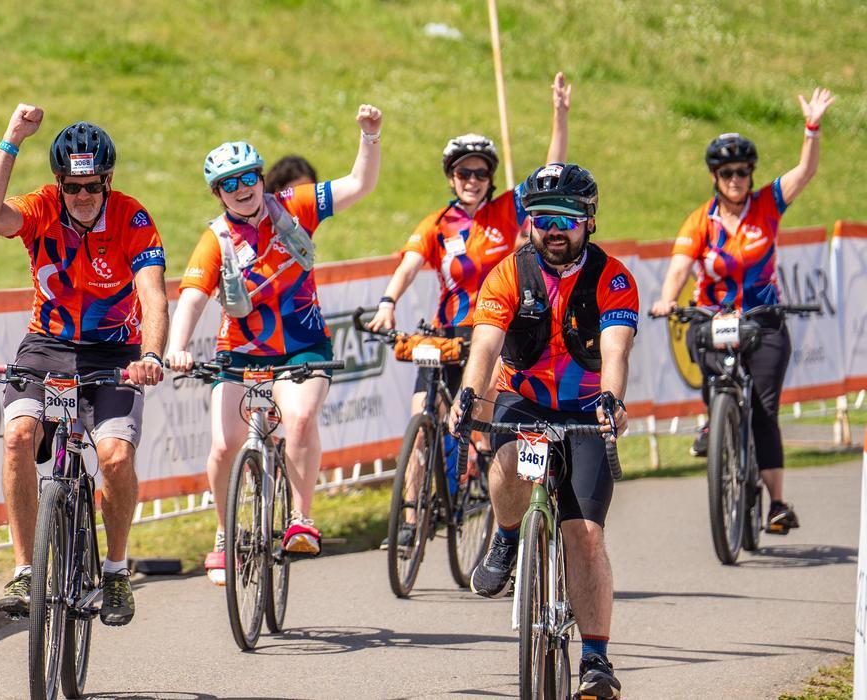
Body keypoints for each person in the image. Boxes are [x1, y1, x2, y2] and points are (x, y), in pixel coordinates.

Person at [166, 104, 383, 585]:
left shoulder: (295, 205)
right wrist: (177, 347)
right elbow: (193, 298)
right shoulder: (216, 239)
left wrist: (370, 137)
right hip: (240, 352)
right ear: (217, 193)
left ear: (262, 178)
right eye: (230, 185)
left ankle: (301, 518)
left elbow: (359, 185)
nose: (242, 191)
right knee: (224, 445)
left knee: (301, 418)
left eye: (249, 179)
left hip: (303, 345)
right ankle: (224, 535)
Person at [0, 105, 168, 625]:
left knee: (114, 458)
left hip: (113, 351)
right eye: (72, 186)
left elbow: (153, 295)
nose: (82, 197)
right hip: (48, 344)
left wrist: (150, 355)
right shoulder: (41, 208)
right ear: (59, 183)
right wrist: (12, 137)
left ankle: (116, 571)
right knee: (18, 437)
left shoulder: (133, 218)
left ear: (108, 181)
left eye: (92, 186)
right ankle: (24, 571)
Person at [449, 163, 638, 699]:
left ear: (590, 221)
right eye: (543, 218)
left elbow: (616, 349)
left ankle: (597, 659)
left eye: (568, 218)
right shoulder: (509, 272)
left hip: (584, 409)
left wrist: (613, 399)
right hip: (524, 400)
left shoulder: (613, 277)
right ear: (529, 221)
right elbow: (485, 344)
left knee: (586, 535)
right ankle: (507, 538)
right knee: (507, 466)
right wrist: (469, 393)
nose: (555, 229)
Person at [367, 72, 572, 548]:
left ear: (490, 178)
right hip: (448, 334)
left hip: (498, 332)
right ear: (451, 177)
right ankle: (411, 520)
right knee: (422, 421)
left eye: (480, 173)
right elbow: (409, 263)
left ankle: (494, 495)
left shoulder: (509, 211)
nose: (473, 181)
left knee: (486, 425)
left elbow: (552, 167)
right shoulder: (438, 223)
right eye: (464, 173)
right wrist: (387, 302)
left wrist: (559, 115)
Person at [650, 87, 835, 534]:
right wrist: (667, 298)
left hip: (764, 321)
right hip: (714, 318)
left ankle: (777, 502)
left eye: (742, 172)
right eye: (727, 172)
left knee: (765, 409)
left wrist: (811, 128)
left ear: (751, 174)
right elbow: (679, 267)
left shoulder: (768, 204)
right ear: (714, 176)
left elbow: (806, 171)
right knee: (711, 369)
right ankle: (715, 419)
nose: (735, 179)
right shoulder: (700, 221)